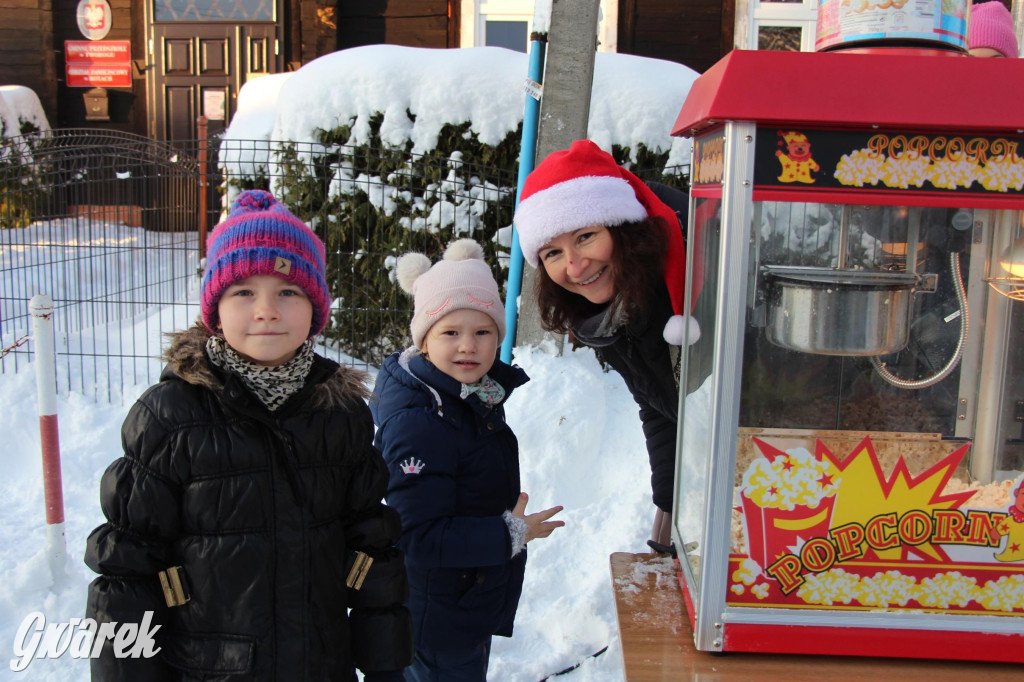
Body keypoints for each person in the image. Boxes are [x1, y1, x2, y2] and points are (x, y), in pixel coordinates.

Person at [84, 189, 413, 681]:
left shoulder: (340, 412)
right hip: (206, 669)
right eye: (243, 292)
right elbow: (127, 569)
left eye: (288, 291)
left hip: (318, 665)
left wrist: (385, 665)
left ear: (315, 309)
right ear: (215, 311)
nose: (267, 310)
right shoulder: (170, 417)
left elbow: (370, 547)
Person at [370, 239, 564, 682]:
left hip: (464, 600)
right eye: (450, 332)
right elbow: (414, 534)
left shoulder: (470, 395)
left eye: (482, 332)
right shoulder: (420, 422)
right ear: (423, 340)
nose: (468, 347)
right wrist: (508, 534)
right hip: (437, 617)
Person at [512, 139, 696, 554]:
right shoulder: (604, 312)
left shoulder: (695, 289)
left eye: (586, 237)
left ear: (623, 230)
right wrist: (667, 505)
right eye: (553, 252)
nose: (574, 266)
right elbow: (661, 406)